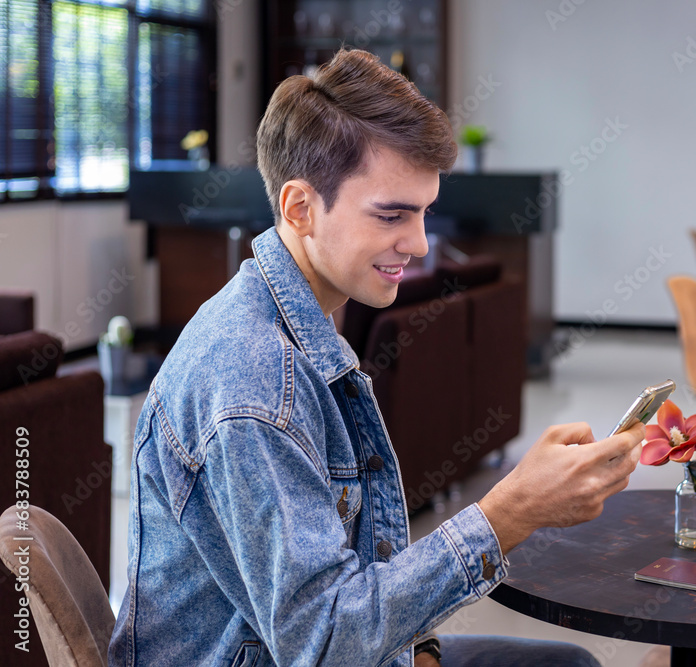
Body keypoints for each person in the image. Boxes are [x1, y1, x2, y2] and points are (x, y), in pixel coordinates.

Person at [108, 49, 643, 667]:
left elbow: (345, 574)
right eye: (392, 214)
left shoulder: (295, 322)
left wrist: (419, 646)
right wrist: (509, 512)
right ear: (300, 208)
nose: (418, 244)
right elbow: (325, 641)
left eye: (423, 213)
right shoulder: (252, 383)